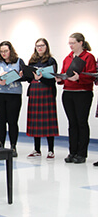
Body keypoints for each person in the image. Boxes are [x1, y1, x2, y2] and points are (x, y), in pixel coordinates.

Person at [55, 33, 96, 164]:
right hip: (68, 92)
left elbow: (92, 76)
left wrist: (80, 78)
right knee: (72, 123)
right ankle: (72, 152)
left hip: (83, 93)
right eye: (69, 43)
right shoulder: (68, 58)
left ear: (81, 43)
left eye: (73, 43)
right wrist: (59, 79)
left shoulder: (88, 57)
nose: (71, 46)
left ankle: (81, 153)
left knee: (81, 122)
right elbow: (64, 72)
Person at [0, 41, 25, 157]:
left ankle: (13, 147)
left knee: (12, 121)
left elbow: (25, 75)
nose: (4, 54)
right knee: (0, 121)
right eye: (1, 51)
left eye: (6, 51)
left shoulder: (19, 61)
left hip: (14, 94)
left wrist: (18, 77)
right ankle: (1, 146)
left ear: (11, 51)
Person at [25, 39, 59, 159]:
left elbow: (52, 79)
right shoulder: (32, 60)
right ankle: (37, 149)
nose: (40, 48)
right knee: (35, 120)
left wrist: (41, 77)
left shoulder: (51, 60)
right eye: (37, 46)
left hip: (47, 91)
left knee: (48, 120)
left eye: (42, 46)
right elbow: (29, 78)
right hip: (34, 91)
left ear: (46, 47)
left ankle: (51, 150)